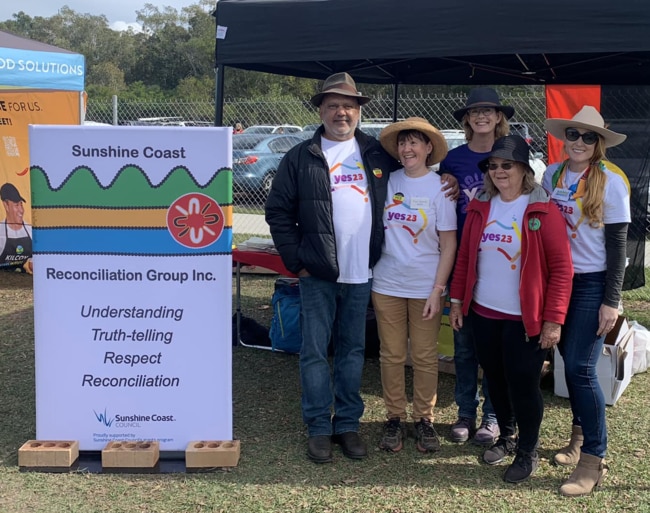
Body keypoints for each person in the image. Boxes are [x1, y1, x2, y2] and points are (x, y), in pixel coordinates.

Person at [265, 72, 400, 463]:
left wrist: (450, 187)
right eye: (333, 105)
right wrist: (298, 262)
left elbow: (413, 179)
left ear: (358, 111)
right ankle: (319, 427)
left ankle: (347, 424)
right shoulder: (300, 156)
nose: (341, 112)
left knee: (352, 350)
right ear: (321, 110)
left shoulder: (376, 154)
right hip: (317, 273)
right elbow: (277, 213)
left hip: (362, 272)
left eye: (348, 105)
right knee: (313, 351)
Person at [449, 135, 573, 483]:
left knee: (523, 384)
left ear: (523, 169)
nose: (500, 171)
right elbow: (464, 258)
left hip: (524, 318)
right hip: (484, 312)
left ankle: (527, 450)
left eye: (507, 165)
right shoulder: (480, 206)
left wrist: (553, 320)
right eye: (493, 165)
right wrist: (457, 301)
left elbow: (562, 269)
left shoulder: (542, 209)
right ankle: (506, 435)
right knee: (495, 380)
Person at [542, 106, 629, 496]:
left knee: (580, 367)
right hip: (557, 280)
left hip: (593, 283)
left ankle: (594, 459)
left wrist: (612, 301)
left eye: (588, 137)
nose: (579, 142)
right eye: (573, 134)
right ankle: (578, 438)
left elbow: (618, 246)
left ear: (599, 144)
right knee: (566, 361)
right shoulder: (552, 175)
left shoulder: (611, 181)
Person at [372, 118, 457, 453]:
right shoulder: (385, 181)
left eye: (414, 143)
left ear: (428, 149)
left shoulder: (441, 188)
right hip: (386, 283)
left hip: (425, 287)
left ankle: (424, 419)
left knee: (423, 356)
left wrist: (438, 289)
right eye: (403, 143)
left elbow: (448, 244)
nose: (407, 149)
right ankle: (394, 417)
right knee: (391, 354)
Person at [438, 87, 514, 446]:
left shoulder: (511, 154)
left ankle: (494, 415)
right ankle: (465, 411)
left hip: (500, 260)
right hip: (464, 262)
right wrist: (445, 179)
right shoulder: (453, 159)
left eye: (489, 110)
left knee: (495, 348)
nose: (481, 116)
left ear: (499, 117)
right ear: (467, 119)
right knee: (464, 345)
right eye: (474, 111)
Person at [0, 182, 33, 272]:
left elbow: (36, 260)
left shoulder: (30, 230)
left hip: (25, 282)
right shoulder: (1, 231)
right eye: (16, 205)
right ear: (6, 205)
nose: (21, 210)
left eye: (21, 204)